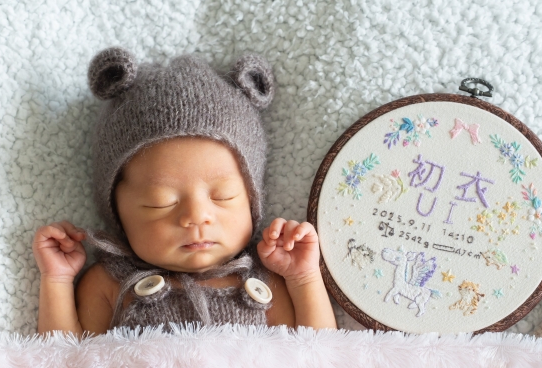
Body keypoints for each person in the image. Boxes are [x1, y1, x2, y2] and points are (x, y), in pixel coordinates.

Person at [33, 48, 336, 335]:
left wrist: (303, 277)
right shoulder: (110, 284)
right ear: (117, 213)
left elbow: (317, 358)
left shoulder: (265, 282)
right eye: (160, 203)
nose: (197, 216)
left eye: (223, 196)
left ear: (252, 200)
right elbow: (65, 363)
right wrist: (57, 280)